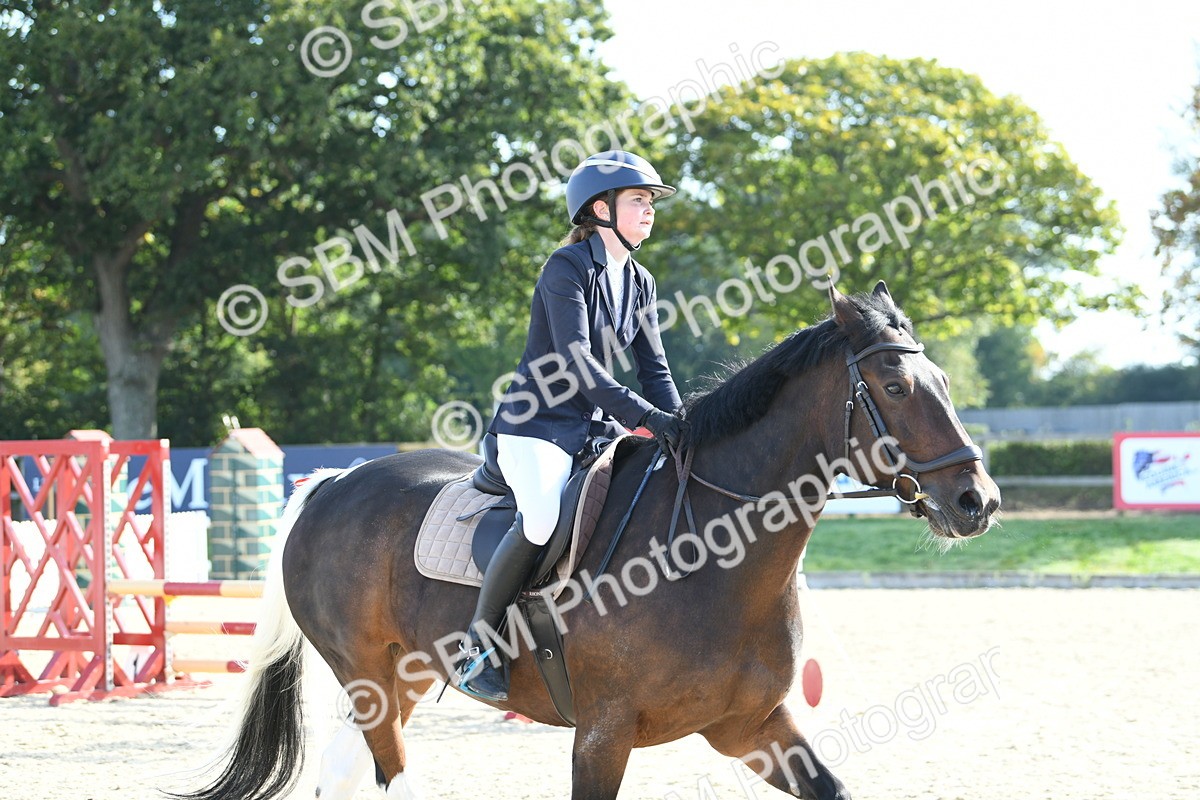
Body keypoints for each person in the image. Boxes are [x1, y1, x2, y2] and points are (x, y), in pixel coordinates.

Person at [456, 150, 688, 701]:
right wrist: (645, 418)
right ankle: (478, 643)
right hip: (535, 426)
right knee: (540, 519)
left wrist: (683, 424)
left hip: (595, 427)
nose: (649, 209)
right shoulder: (567, 268)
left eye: (651, 200)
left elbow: (655, 371)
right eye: (638, 199)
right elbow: (576, 362)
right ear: (600, 208)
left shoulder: (641, 281)